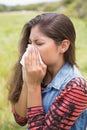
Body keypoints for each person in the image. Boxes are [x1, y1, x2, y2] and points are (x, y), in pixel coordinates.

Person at [8, 12, 87, 130]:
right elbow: (20, 119)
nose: (30, 49)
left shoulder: (76, 88)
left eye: (39, 43)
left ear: (63, 46)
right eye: (30, 43)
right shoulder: (38, 73)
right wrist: (27, 80)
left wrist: (34, 86)